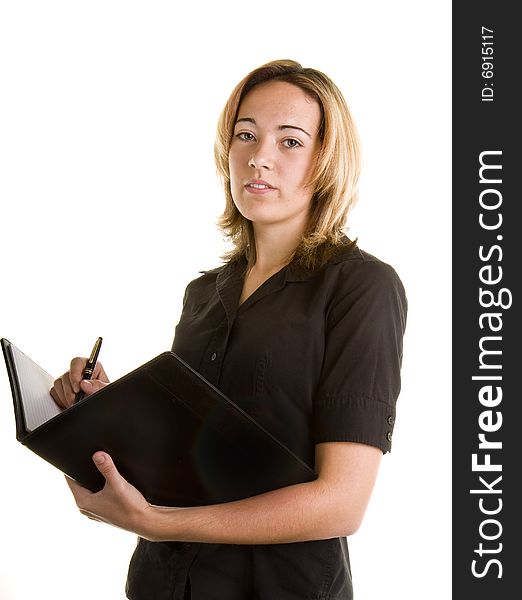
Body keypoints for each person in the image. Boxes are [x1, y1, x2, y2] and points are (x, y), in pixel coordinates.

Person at [51, 59, 407, 600]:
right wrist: (103, 410)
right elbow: (185, 455)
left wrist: (163, 523)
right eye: (246, 135)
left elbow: (341, 503)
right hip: (164, 583)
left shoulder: (363, 288)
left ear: (326, 161)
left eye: (290, 141)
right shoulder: (203, 294)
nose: (259, 157)